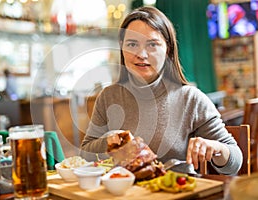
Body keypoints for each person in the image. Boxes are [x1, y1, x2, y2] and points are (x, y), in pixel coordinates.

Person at [80, 6, 242, 175]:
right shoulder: (108, 96)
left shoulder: (190, 99)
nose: (141, 54)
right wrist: (109, 141)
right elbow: (85, 154)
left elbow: (235, 163)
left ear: (168, 49)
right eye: (132, 44)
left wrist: (215, 147)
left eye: (152, 44)